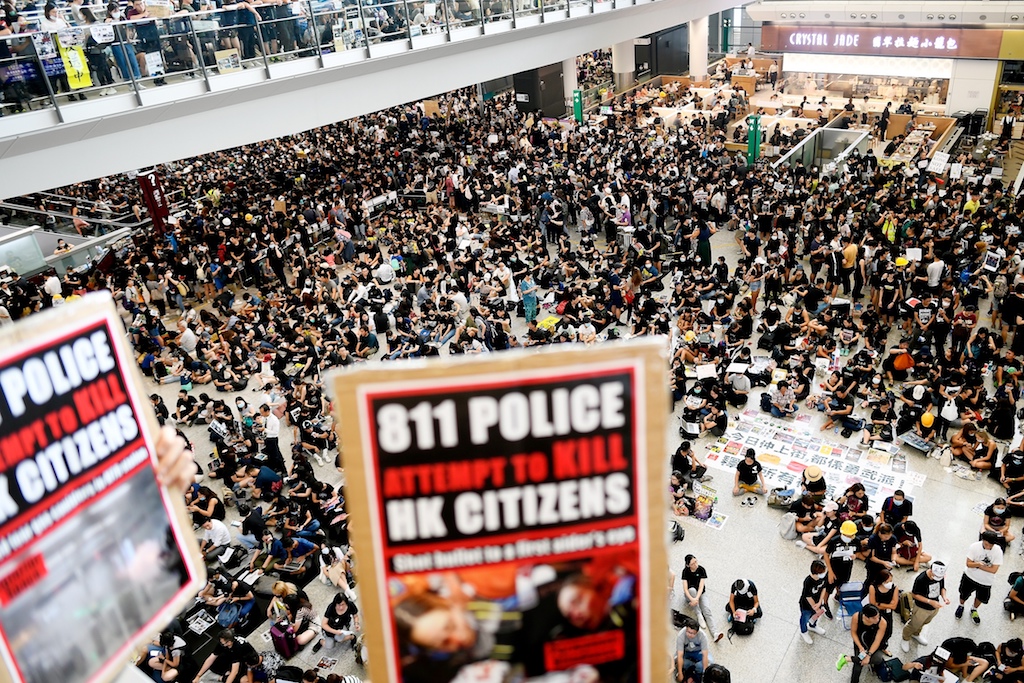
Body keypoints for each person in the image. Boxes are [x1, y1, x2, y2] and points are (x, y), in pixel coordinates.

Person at [955, 531, 1003, 624]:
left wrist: (977, 565)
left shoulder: (998, 551)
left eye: (991, 545)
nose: (988, 547)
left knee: (980, 598)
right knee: (963, 593)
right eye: (986, 544)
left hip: (986, 581)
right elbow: (968, 564)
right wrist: (979, 564)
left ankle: (974, 609)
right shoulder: (974, 547)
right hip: (970, 577)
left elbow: (994, 570)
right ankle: (961, 605)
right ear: (983, 540)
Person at [901, 561, 948, 653]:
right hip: (921, 608)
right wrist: (930, 601)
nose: (938, 578)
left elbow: (942, 587)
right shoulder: (921, 579)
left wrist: (944, 597)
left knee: (925, 622)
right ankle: (905, 638)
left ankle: (916, 633)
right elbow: (914, 594)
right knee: (913, 624)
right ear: (931, 570)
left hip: (934, 606)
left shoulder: (939, 576)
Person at [837, 604, 887, 683]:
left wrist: (869, 655)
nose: (877, 619)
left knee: (877, 659)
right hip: (860, 643)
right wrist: (860, 647)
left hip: (873, 645)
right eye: (874, 618)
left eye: (878, 616)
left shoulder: (882, 622)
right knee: (857, 668)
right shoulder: (856, 617)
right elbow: (853, 633)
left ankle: (847, 658)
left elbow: (877, 641)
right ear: (866, 617)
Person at [681, 554, 724, 643]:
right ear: (688, 565)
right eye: (692, 564)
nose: (695, 564)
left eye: (696, 561)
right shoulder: (685, 571)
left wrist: (696, 599)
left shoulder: (701, 570)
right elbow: (685, 589)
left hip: (700, 594)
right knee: (692, 590)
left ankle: (714, 633)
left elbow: (701, 587)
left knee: (707, 610)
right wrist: (692, 599)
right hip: (690, 594)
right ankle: (698, 613)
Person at [193, 629, 257, 683]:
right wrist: (198, 675)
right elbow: (211, 658)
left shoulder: (237, 649)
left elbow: (234, 672)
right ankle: (223, 676)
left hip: (244, 664)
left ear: (229, 642)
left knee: (243, 680)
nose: (222, 644)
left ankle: (223, 678)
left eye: (224, 643)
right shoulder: (226, 641)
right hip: (230, 661)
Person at [799, 559, 829, 644]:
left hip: (817, 602)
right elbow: (808, 596)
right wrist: (815, 607)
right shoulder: (808, 581)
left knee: (815, 616)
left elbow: (824, 588)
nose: (824, 574)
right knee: (805, 618)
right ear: (816, 572)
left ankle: (813, 626)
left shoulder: (822, 578)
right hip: (807, 605)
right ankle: (803, 631)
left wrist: (819, 602)